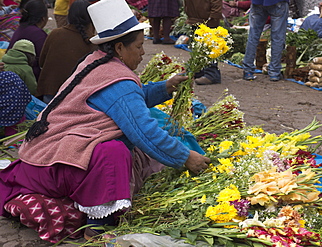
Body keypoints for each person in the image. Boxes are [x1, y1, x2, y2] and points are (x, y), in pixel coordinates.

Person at [0, 0, 210, 243]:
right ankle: (96, 227)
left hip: (41, 157)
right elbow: (145, 132)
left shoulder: (96, 62)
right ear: (119, 48)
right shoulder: (116, 79)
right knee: (114, 151)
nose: (143, 53)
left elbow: (123, 101)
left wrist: (164, 88)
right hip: (54, 168)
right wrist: (186, 157)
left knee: (121, 148)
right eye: (140, 47)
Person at [38, 0, 97, 103]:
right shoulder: (93, 42)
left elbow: (41, 62)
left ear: (69, 15)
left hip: (50, 91)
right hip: (76, 97)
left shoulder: (55, 33)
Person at [242, 0, 289, 82]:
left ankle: (248, 71)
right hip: (278, 3)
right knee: (277, 37)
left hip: (258, 3)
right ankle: (274, 72)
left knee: (253, 35)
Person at [184, 0, 223, 85]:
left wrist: (214, 16)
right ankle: (200, 70)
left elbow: (216, 2)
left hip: (207, 20)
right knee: (198, 46)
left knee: (209, 47)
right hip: (196, 17)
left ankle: (212, 74)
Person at [8, 0, 48, 81]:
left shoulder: (20, 28)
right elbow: (44, 62)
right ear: (44, 18)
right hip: (28, 79)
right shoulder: (39, 34)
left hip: (12, 76)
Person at [0, 70, 32, 137]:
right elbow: (27, 95)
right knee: (15, 135)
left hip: (6, 115)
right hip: (19, 113)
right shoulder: (12, 75)